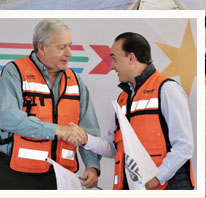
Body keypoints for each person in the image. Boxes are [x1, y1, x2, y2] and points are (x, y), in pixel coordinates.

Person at [0, 19, 101, 190]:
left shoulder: (76, 81)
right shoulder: (15, 72)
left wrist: (92, 165)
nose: (69, 53)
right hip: (17, 176)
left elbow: (89, 130)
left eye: (70, 46)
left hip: (61, 177)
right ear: (41, 48)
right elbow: (9, 118)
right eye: (62, 47)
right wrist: (58, 130)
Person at [79, 32, 194, 190]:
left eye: (114, 58)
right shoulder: (123, 99)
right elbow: (112, 147)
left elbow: (184, 145)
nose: (111, 66)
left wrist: (157, 178)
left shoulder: (167, 89)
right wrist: (84, 138)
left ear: (131, 57)